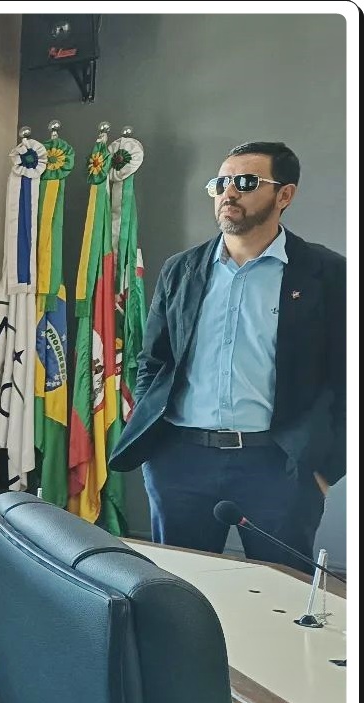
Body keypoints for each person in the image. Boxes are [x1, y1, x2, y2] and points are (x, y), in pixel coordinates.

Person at [111, 142, 345, 569]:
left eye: (246, 182)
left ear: (285, 195)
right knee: (182, 594)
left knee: (283, 597)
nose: (228, 192)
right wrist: (158, 452)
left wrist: (327, 468)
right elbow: (154, 360)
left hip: (278, 467)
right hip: (181, 463)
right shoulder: (181, 269)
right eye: (220, 182)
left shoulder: (327, 274)